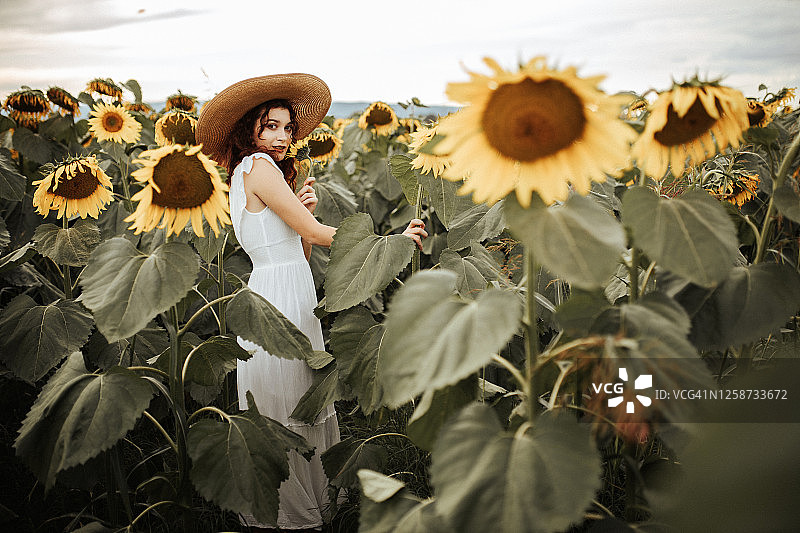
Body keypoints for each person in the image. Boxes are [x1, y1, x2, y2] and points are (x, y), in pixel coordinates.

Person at [196, 74, 426, 532]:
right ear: (250, 132)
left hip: (288, 284)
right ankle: (291, 510)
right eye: (270, 127)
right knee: (288, 394)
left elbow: (302, 247)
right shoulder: (258, 167)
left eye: (287, 128)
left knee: (294, 389)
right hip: (277, 295)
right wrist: (391, 241)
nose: (282, 137)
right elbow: (322, 238)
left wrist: (307, 215)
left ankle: (305, 500)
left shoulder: (254, 174)